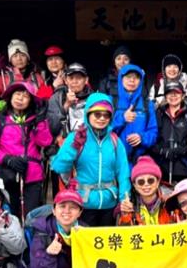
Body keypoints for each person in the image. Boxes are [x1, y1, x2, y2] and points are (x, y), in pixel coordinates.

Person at [50, 94, 131, 227]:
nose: (102, 118)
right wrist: (73, 147)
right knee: (86, 246)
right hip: (82, 204)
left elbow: (123, 173)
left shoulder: (115, 141)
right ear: (88, 114)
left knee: (106, 244)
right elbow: (59, 167)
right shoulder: (76, 137)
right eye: (97, 114)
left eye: (106, 115)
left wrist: (125, 199)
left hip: (109, 204)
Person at [0, 82, 54, 222]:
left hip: (32, 174)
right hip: (6, 172)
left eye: (25, 96)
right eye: (17, 94)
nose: (20, 98)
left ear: (31, 101)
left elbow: (44, 142)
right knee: (7, 216)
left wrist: (40, 122)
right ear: (10, 97)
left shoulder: (36, 119)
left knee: (32, 217)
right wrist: (7, 159)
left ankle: (31, 243)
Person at [151, 81, 187, 182]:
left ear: (183, 95)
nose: (173, 96)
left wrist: (182, 150)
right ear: (165, 96)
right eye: (169, 93)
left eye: (177, 93)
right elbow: (152, 137)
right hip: (162, 167)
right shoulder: (158, 113)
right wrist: (161, 150)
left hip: (186, 168)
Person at [111, 64, 158, 163]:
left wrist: (142, 137)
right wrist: (122, 118)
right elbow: (101, 128)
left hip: (139, 161)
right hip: (114, 160)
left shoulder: (147, 104)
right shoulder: (111, 102)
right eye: (128, 77)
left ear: (140, 81)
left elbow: (153, 132)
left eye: (136, 77)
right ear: (121, 79)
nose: (132, 80)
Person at [0, 39, 49, 103]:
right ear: (10, 60)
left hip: (33, 112)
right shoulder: (4, 77)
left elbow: (44, 97)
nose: (19, 59)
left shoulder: (36, 76)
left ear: (28, 59)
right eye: (15, 56)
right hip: (11, 112)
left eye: (23, 55)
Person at [114, 155, 174, 225]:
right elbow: (124, 233)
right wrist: (125, 215)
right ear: (135, 185)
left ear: (158, 182)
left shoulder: (171, 200)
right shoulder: (128, 205)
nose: (146, 184)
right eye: (141, 182)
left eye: (150, 180)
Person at [45, 62, 91, 145]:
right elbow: (51, 128)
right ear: (65, 80)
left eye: (79, 78)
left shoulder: (94, 98)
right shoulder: (56, 97)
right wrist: (66, 105)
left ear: (86, 80)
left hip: (88, 144)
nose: (74, 81)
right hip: (64, 145)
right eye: (71, 78)